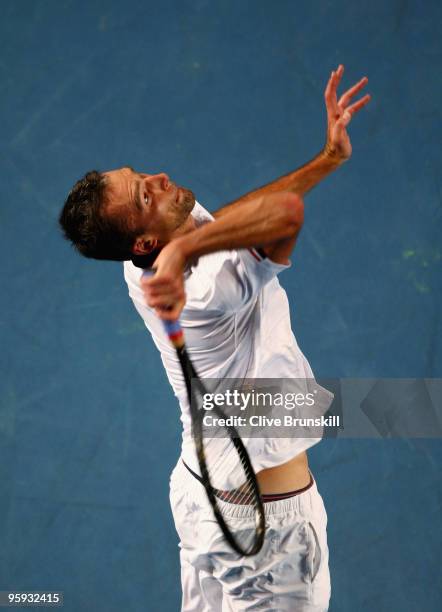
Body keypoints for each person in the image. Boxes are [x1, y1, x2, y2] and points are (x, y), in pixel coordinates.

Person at [59, 64, 370, 611]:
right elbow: (283, 214)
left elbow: (230, 221)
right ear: (149, 239)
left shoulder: (141, 260)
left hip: (201, 496)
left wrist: (329, 158)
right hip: (265, 534)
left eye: (140, 173)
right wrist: (184, 253)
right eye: (144, 192)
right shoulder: (206, 294)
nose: (157, 177)